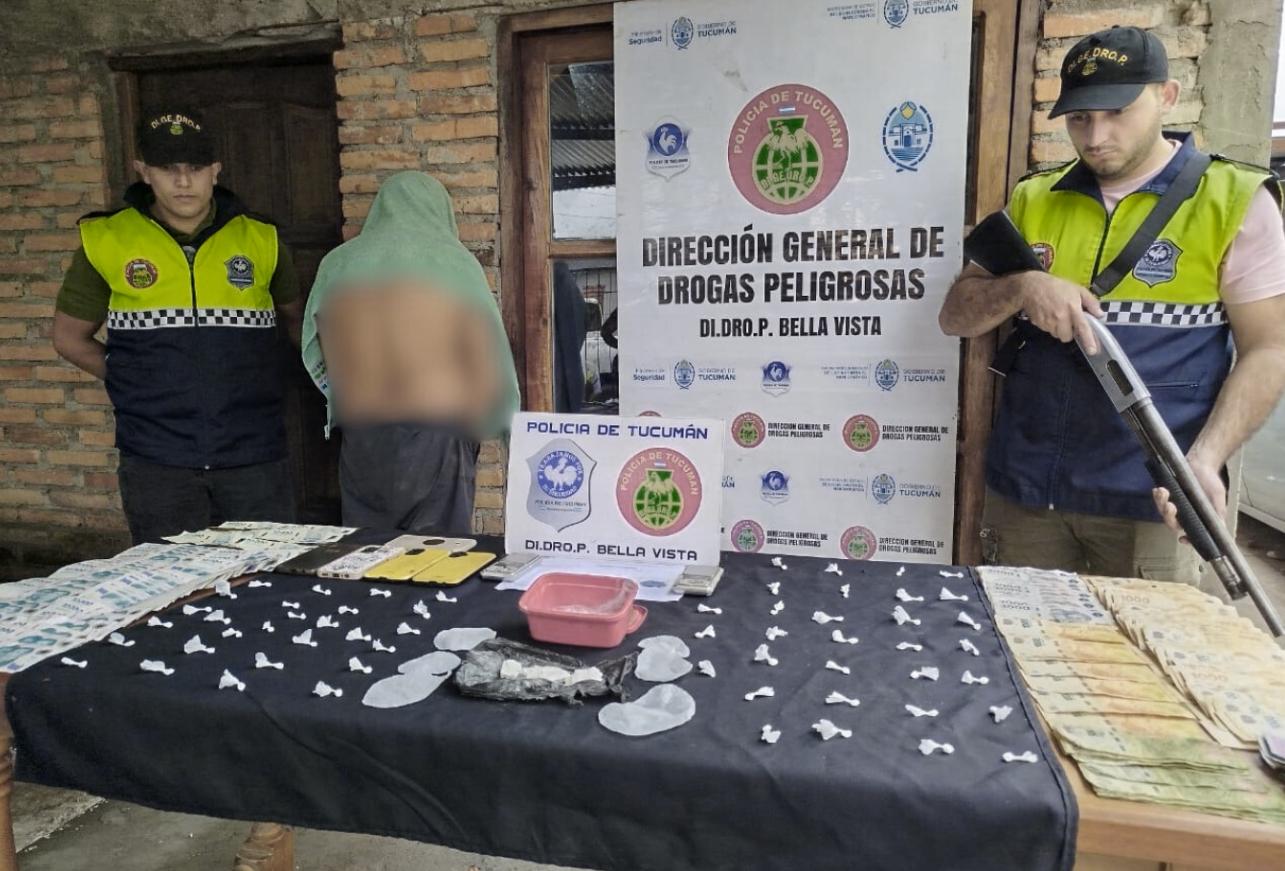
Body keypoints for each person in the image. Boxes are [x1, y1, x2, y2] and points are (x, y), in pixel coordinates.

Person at [939, 26, 1285, 581]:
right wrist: (1024, 286)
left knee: (1149, 639)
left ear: (1166, 96)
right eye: (1079, 118)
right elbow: (956, 315)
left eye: (1117, 112)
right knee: (1017, 635)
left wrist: (1206, 460)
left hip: (1153, 501)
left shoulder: (1233, 199)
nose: (1096, 136)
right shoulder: (1034, 196)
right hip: (1029, 495)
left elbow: (1269, 349)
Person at [52, 108, 302, 544]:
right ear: (144, 171)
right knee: (169, 577)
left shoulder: (261, 239)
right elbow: (69, 339)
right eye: (169, 169)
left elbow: (298, 324)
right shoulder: (107, 240)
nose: (184, 181)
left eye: (196, 168)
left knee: (265, 571)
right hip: (157, 456)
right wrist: (135, 379)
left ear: (216, 170)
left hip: (253, 451)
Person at [302, 171, 520, 533]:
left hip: (363, 435)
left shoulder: (336, 264)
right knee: (440, 553)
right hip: (439, 431)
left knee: (369, 550)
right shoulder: (455, 263)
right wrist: (499, 422)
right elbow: (487, 353)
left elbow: (315, 344)